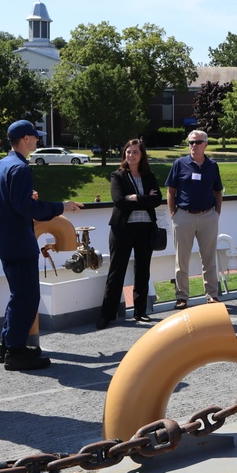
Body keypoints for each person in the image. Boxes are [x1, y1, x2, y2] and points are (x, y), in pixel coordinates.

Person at [0, 120, 82, 371]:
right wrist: (61, 206)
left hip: (5, 241)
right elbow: (27, 209)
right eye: (35, 137)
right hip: (18, 242)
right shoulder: (19, 168)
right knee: (27, 297)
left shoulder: (0, 166)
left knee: (19, 295)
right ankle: (15, 352)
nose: (38, 141)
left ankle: (8, 345)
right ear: (25, 139)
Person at [98, 139, 162, 330]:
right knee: (116, 271)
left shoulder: (148, 176)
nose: (131, 155)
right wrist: (143, 200)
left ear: (141, 155)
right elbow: (119, 201)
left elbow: (157, 199)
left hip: (145, 228)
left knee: (142, 271)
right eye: (128, 152)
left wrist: (135, 198)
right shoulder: (117, 176)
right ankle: (107, 315)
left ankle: (140, 312)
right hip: (122, 229)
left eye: (135, 152)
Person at [166, 130, 223, 309]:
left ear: (205, 144)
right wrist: (173, 213)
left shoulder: (212, 166)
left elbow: (218, 191)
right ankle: (182, 297)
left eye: (197, 142)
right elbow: (171, 191)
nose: (193, 145)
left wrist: (216, 213)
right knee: (181, 260)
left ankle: (212, 295)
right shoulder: (179, 164)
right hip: (184, 216)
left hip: (208, 216)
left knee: (209, 258)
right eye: (191, 142)